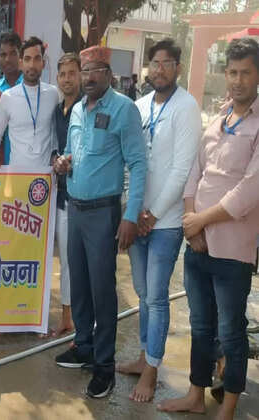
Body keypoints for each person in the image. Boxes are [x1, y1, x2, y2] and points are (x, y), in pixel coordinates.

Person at [158, 37, 259, 420]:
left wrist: (201, 219)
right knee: (200, 327)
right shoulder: (218, 120)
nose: (237, 80)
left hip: (233, 250)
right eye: (232, 72)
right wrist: (191, 223)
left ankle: (228, 408)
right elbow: (194, 174)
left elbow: (248, 191)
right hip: (198, 245)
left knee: (231, 331)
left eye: (245, 73)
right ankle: (196, 395)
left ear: (257, 76)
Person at [53, 46, 146, 399]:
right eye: (85, 70)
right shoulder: (77, 109)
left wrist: (130, 215)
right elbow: (73, 151)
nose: (88, 77)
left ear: (108, 74)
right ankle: (84, 346)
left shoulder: (124, 109)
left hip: (104, 213)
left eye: (95, 70)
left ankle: (104, 365)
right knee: (78, 282)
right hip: (75, 208)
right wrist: (63, 162)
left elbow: (138, 164)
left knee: (102, 290)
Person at [115, 38, 202, 403]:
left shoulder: (187, 107)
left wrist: (152, 215)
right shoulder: (139, 106)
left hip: (165, 223)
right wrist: (132, 211)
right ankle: (144, 355)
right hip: (138, 218)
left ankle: (152, 369)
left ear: (178, 68)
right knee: (142, 292)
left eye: (167, 63)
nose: (160, 69)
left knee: (157, 296)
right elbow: (130, 162)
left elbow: (181, 169)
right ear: (148, 67)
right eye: (155, 63)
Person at [0, 36, 59, 169]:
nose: (32, 65)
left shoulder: (53, 94)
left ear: (43, 63)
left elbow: (54, 132)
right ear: (21, 63)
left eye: (37, 59)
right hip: (17, 175)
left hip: (45, 175)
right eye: (27, 59)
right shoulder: (8, 97)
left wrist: (55, 154)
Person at [50, 52, 82, 338]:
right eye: (63, 74)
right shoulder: (57, 110)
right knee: (64, 261)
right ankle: (67, 317)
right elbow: (53, 145)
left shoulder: (86, 108)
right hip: (59, 194)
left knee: (75, 261)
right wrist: (55, 159)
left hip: (81, 197)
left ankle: (75, 320)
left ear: (80, 76)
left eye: (72, 73)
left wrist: (70, 161)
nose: (67, 79)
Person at [0, 31, 24, 166]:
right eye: (3, 55)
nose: (8, 59)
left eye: (12, 53)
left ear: (20, 55)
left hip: (25, 165)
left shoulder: (30, 88)